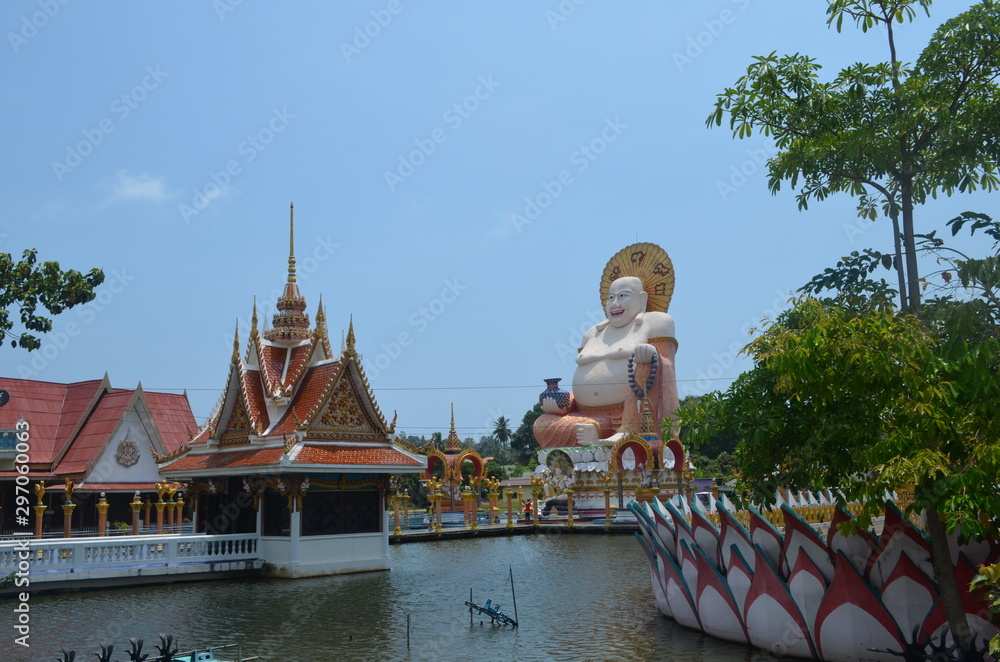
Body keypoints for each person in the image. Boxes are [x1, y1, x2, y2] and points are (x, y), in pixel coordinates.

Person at [533, 272, 679, 448]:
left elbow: (667, 365)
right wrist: (564, 404)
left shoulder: (656, 322)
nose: (615, 303)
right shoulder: (591, 334)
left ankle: (627, 431)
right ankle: (598, 430)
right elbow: (585, 380)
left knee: (648, 359)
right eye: (611, 298)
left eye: (623, 296)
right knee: (542, 424)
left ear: (642, 299)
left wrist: (652, 353)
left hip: (636, 414)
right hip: (588, 416)